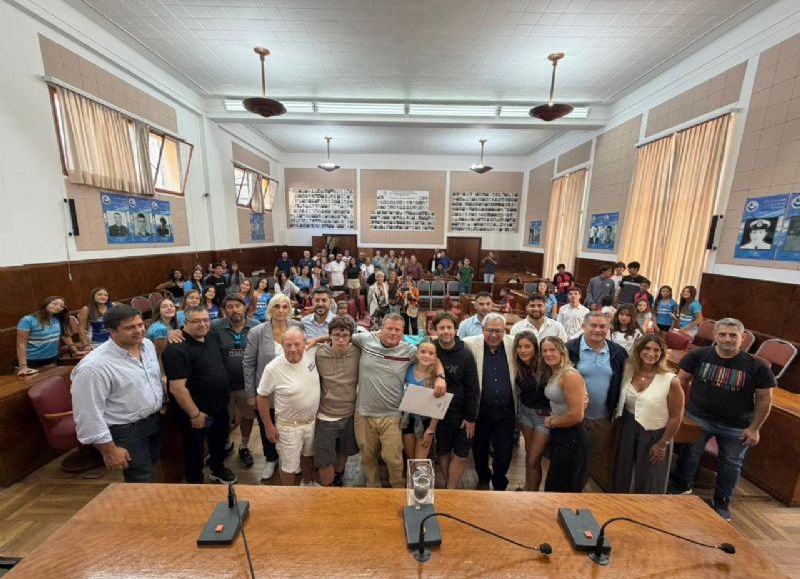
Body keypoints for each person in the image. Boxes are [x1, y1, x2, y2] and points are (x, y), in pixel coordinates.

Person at [668, 319, 775, 521]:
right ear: (715, 336)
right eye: (723, 334)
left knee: (731, 464)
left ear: (742, 338)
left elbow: (764, 399)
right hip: (697, 417)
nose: (727, 339)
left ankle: (722, 501)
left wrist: (754, 428)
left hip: (736, 425)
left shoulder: (757, 366)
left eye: (733, 335)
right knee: (690, 454)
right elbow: (681, 381)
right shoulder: (698, 355)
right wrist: (678, 411)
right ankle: (682, 487)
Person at [71, 305, 164, 482]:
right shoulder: (93, 367)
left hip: (154, 421)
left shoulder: (147, 345)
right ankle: (141, 509)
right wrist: (109, 450)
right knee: (140, 479)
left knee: (151, 469)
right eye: (130, 327)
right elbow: (88, 415)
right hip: (126, 431)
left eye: (140, 324)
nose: (139, 330)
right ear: (111, 331)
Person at [351, 314, 445, 488]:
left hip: (392, 415)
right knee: (367, 456)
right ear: (380, 330)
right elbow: (339, 335)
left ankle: (397, 488)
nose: (393, 333)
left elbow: (433, 356)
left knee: (393, 458)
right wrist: (315, 340)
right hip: (363, 413)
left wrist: (441, 377)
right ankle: (373, 487)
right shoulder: (364, 340)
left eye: (398, 330)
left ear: (403, 332)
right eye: (389, 329)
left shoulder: (409, 350)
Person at [162, 306, 237, 484]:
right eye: (196, 321)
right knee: (194, 449)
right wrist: (194, 413)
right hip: (195, 411)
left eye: (206, 320)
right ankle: (195, 482)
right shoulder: (176, 348)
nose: (203, 324)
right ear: (184, 323)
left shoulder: (211, 336)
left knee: (218, 442)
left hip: (219, 405)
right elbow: (177, 388)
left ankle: (217, 469)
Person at [612, 335, 684, 494]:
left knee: (650, 479)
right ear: (638, 350)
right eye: (646, 348)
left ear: (662, 353)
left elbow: (676, 417)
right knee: (622, 474)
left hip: (655, 433)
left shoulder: (670, 380)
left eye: (656, 350)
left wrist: (662, 444)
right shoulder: (629, 371)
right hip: (627, 426)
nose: (651, 353)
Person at [244, 294, 303, 482]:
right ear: (270, 309)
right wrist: (251, 393)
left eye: (285, 306)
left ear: (290, 310)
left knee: (292, 427)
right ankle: (271, 458)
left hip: (291, 392)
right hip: (266, 392)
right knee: (266, 426)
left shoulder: (298, 328)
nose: (281, 310)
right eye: (277, 306)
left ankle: (292, 458)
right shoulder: (257, 331)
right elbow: (248, 364)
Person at [566, 312, 628, 490]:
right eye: (593, 325)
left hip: (602, 419)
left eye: (602, 327)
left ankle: (580, 491)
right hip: (573, 417)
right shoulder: (569, 348)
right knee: (570, 457)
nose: (597, 330)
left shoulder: (618, 352)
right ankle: (565, 492)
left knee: (592, 457)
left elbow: (624, 380)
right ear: (584, 326)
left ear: (608, 329)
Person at [256, 328, 320, 486]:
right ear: (282, 346)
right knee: (289, 466)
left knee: (308, 456)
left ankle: (307, 483)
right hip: (288, 427)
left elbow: (332, 338)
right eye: (288, 345)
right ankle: (288, 497)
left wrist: (318, 339)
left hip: (311, 422)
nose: (293, 349)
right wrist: (268, 427)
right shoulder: (273, 368)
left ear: (305, 343)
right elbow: (261, 397)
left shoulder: (310, 352)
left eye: (297, 344)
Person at [464, 313, 518, 491]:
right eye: (490, 330)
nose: (494, 335)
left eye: (498, 331)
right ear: (482, 330)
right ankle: (483, 477)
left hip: (506, 411)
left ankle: (500, 481)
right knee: (479, 449)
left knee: (504, 451)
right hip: (481, 410)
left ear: (505, 331)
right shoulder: (470, 344)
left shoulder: (513, 345)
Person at [432, 312, 479, 489]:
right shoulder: (431, 348)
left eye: (449, 328)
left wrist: (470, 417)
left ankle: (451, 489)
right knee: (443, 451)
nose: (445, 331)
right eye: (441, 328)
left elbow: (473, 388)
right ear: (435, 330)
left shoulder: (465, 354)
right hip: (438, 412)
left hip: (461, 413)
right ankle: (447, 485)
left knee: (460, 454)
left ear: (455, 330)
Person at [315, 316, 361, 487]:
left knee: (344, 451)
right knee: (324, 459)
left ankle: (339, 477)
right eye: (336, 336)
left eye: (345, 336)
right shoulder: (319, 354)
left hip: (350, 414)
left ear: (351, 336)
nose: (341, 340)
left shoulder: (358, 351)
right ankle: (327, 489)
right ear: (329, 336)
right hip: (325, 415)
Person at [213, 296, 258, 469]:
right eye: (229, 306)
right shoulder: (215, 326)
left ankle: (244, 446)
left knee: (248, 416)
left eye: (237, 306)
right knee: (223, 419)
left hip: (248, 385)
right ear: (224, 310)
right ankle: (224, 446)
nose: (234, 310)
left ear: (244, 307)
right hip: (224, 386)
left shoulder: (256, 326)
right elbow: (192, 331)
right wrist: (176, 332)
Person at [541, 336, 588, 492]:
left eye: (552, 350)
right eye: (544, 351)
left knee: (563, 487)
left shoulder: (569, 375)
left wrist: (552, 422)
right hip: (560, 434)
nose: (548, 354)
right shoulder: (555, 373)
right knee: (556, 484)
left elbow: (576, 416)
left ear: (562, 351)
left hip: (572, 436)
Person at [513, 331, 550, 491]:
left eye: (527, 346)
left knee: (534, 458)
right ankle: (529, 488)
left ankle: (532, 494)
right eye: (519, 347)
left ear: (535, 348)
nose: (523, 350)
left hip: (544, 416)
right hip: (526, 413)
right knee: (529, 455)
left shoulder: (545, 366)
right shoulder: (518, 366)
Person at [401, 340, 441, 460]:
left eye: (431, 353)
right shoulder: (408, 370)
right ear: (416, 354)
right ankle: (411, 478)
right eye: (423, 352)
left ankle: (419, 478)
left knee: (420, 461)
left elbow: (438, 407)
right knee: (411, 459)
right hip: (408, 420)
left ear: (435, 357)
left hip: (425, 422)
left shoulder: (437, 378)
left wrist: (431, 430)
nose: (426, 355)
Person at [16, 295, 75, 375]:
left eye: (61, 306)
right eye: (54, 303)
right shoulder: (28, 320)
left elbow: (64, 335)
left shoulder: (58, 319)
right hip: (31, 362)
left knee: (52, 383)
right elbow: (21, 344)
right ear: (46, 303)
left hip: (51, 359)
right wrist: (23, 366)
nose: (58, 307)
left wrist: (75, 349)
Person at [146, 297, 181, 364]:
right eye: (164, 307)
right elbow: (157, 356)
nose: (169, 308)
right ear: (158, 311)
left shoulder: (170, 324)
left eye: (172, 306)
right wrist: (162, 374)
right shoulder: (160, 329)